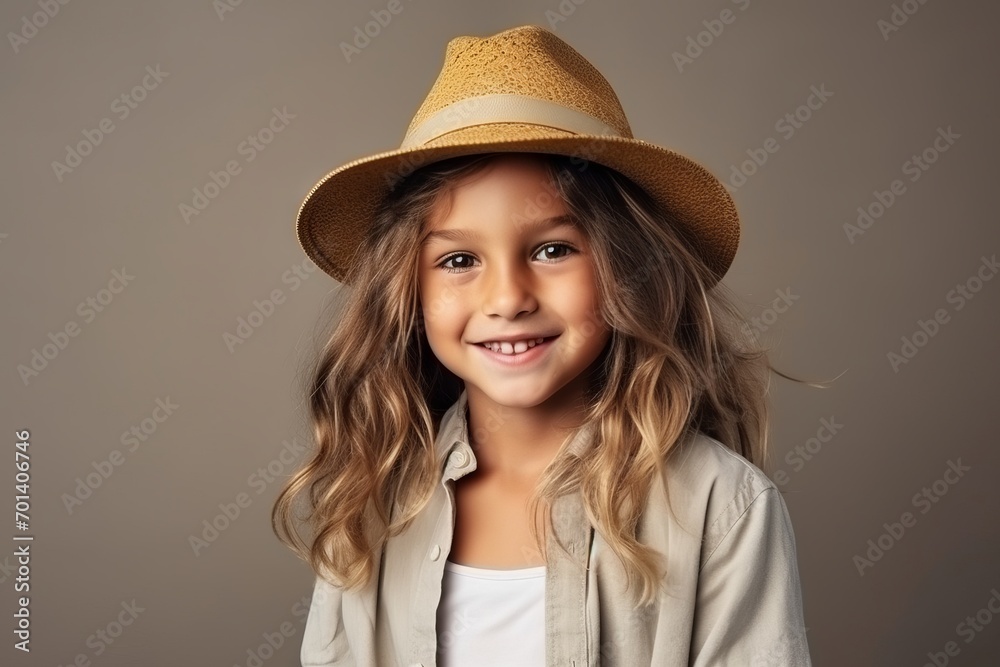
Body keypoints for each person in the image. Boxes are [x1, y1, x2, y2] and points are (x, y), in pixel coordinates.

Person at [273, 24, 814, 666]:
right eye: (458, 259)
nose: (508, 298)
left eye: (553, 249)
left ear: (625, 265)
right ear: (407, 291)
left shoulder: (722, 507)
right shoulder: (374, 499)